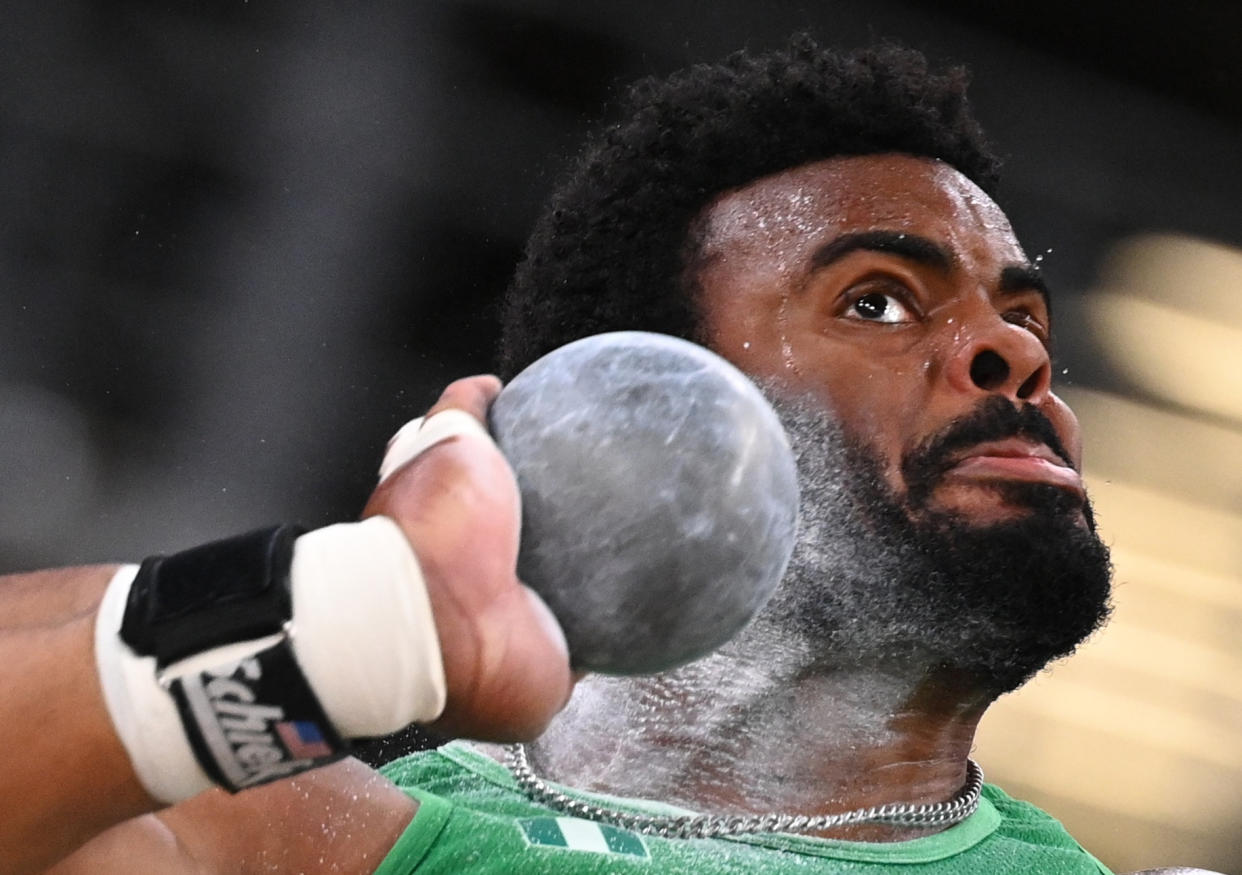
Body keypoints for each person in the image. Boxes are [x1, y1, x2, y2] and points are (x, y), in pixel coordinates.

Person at [1, 36, 1207, 874]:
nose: (1012, 352)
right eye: (881, 303)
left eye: (1026, 318)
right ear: (650, 407)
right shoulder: (328, 843)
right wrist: (360, 622)